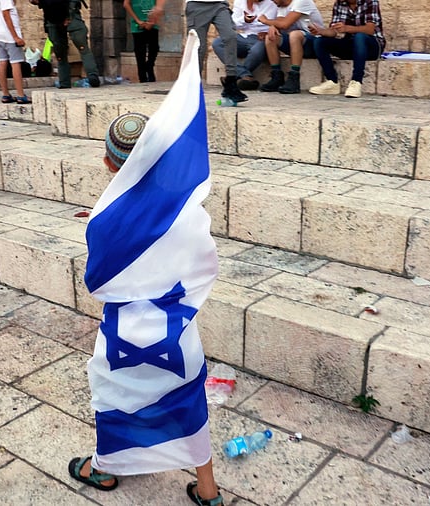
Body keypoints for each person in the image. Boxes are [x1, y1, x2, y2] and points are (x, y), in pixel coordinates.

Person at [70, 74, 224, 504]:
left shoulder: (104, 220)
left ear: (108, 164)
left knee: (115, 399)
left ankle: (104, 467)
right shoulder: (186, 212)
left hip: (125, 336)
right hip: (175, 331)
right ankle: (208, 490)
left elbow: (96, 281)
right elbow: (204, 264)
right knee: (189, 402)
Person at [309, 0, 385, 98]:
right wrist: (321, 31)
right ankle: (332, 81)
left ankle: (356, 81)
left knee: (360, 37)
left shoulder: (370, 2)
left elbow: (369, 30)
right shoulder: (339, 3)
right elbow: (334, 32)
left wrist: (347, 28)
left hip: (372, 47)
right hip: (351, 45)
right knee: (319, 41)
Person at [186, 0, 248, 103]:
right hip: (196, 4)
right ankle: (193, 87)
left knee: (230, 36)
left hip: (219, 4)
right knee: (199, 47)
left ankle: (231, 82)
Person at [257, 0, 323, 94]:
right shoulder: (281, 6)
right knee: (271, 37)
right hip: (295, 44)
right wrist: (273, 26)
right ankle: (277, 76)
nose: (272, 1)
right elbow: (279, 22)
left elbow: (285, 24)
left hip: (314, 43)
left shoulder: (301, 2)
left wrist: (266, 21)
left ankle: (294, 77)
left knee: (294, 35)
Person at [31, 0, 100, 89]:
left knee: (72, 50)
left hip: (61, 13)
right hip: (57, 14)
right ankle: (89, 77)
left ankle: (67, 81)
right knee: (75, 50)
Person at [212, 0, 276, 91]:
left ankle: (234, 78)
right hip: (245, 36)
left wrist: (269, 31)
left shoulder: (274, 2)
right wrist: (244, 20)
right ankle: (244, 75)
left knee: (257, 50)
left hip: (263, 38)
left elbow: (282, 21)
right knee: (218, 43)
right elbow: (233, 24)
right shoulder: (240, 2)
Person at [0, 0, 31, 104]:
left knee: (2, 62)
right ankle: (21, 95)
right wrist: (15, 37)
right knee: (16, 63)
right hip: (9, 36)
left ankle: (5, 94)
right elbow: (6, 15)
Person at [124, 0, 159, 83]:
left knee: (154, 48)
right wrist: (137, 20)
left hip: (152, 24)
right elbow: (126, 4)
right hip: (138, 25)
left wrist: (152, 21)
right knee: (140, 52)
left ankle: (149, 67)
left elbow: (158, 5)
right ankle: (142, 77)